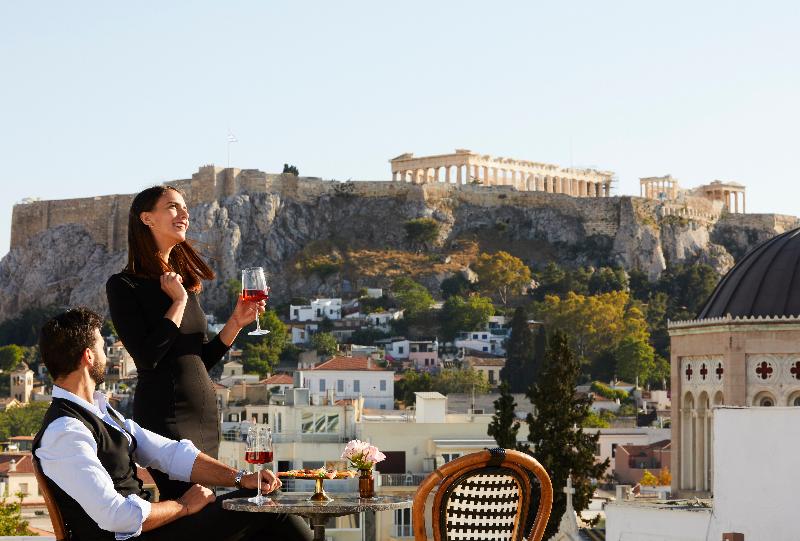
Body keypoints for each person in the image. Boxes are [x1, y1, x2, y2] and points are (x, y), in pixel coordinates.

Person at [33, 308, 311, 541]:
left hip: (152, 532)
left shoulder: (99, 412)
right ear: (88, 356)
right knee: (270, 510)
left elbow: (170, 454)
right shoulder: (65, 431)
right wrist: (183, 506)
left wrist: (241, 478)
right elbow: (116, 516)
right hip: (137, 537)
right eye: (102, 347)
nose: (106, 354)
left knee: (261, 499)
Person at [106, 185, 261, 500]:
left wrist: (235, 323)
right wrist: (177, 303)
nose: (185, 214)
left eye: (185, 207)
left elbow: (198, 359)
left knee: (203, 504)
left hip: (204, 415)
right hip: (165, 415)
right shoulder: (124, 285)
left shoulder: (184, 285)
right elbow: (147, 358)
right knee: (192, 503)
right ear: (147, 218)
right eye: (173, 207)